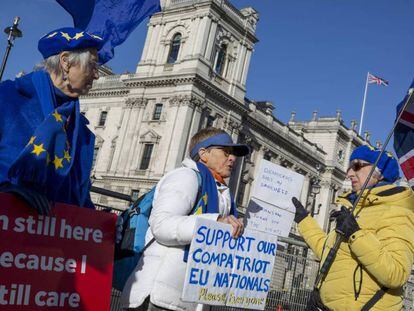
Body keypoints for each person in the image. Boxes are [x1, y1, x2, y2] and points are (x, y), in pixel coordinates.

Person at [121, 127, 249, 311]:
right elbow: (162, 226)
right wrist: (216, 222)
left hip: (186, 299)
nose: (232, 158)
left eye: (234, 154)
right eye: (226, 152)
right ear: (203, 153)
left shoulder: (222, 193)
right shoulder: (186, 177)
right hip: (159, 297)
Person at [292, 145, 414, 310]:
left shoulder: (397, 212)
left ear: (379, 173)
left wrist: (356, 235)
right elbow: (330, 253)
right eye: (349, 167)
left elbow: (396, 273)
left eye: (357, 166)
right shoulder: (354, 208)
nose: (349, 173)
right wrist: (304, 221)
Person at [0, 27, 103, 213]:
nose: (96, 75)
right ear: (65, 62)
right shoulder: (8, 97)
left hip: (53, 236)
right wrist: (4, 189)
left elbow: (80, 194)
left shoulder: (82, 131)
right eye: (92, 66)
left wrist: (103, 225)